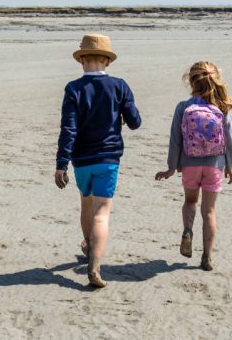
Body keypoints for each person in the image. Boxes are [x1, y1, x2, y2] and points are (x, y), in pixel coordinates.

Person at [54, 33, 142, 288]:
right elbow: (135, 122)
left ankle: (89, 248)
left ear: (81, 60)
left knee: (86, 204)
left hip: (81, 160)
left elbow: (68, 128)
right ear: (108, 61)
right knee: (102, 213)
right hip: (108, 158)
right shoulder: (120, 86)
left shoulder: (73, 89)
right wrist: (124, 116)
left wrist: (61, 163)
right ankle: (94, 265)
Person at [154, 61, 232, 271]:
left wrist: (172, 167)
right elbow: (231, 141)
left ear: (191, 81)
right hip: (214, 165)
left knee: (191, 201)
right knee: (209, 211)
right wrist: (229, 165)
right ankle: (207, 257)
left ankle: (187, 230)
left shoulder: (183, 107)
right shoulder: (222, 107)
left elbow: (175, 140)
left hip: (189, 164)